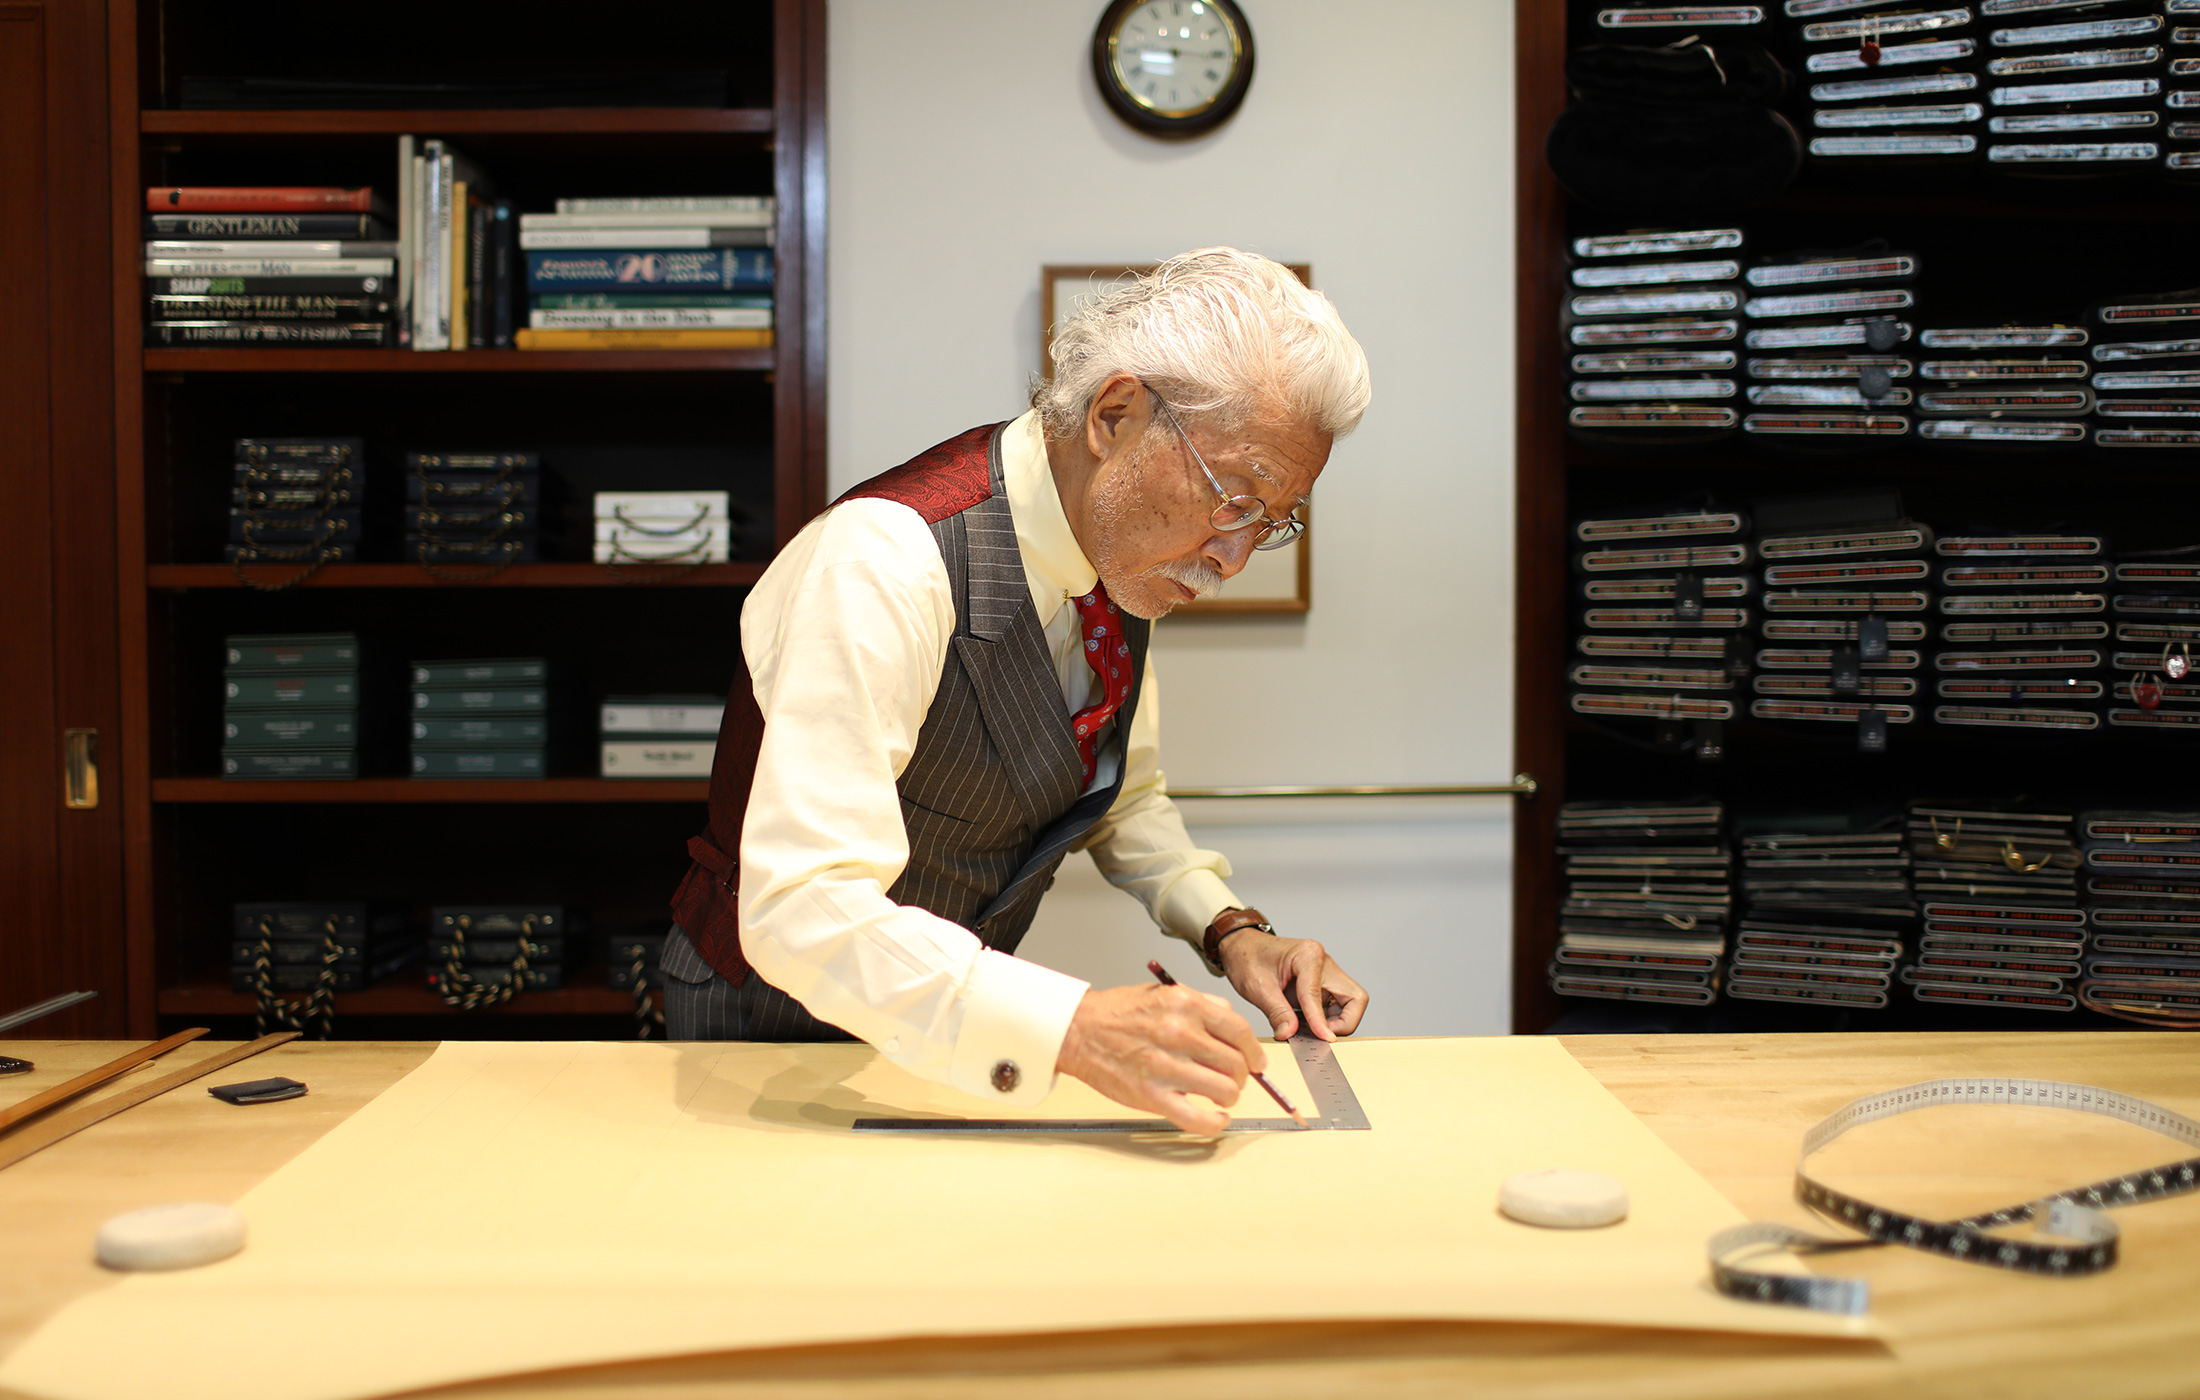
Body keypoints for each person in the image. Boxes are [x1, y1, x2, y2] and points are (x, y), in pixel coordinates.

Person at [663, 247, 1372, 1133]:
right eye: (1233, 497)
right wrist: (1070, 1027)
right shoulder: (884, 562)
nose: (1233, 558)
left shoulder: (1117, 562)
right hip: (769, 1043)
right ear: (1115, 415)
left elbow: (1119, 791)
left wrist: (1232, 932)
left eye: (1270, 522)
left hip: (966, 1045)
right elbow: (801, 903)